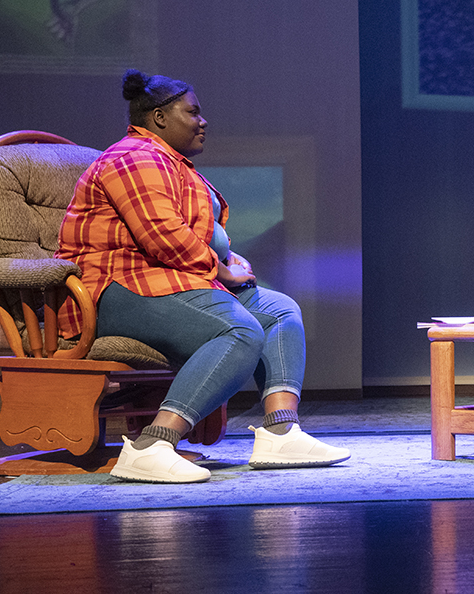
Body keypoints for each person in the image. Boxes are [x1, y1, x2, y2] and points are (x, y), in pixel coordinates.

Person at [56, 69, 350, 483]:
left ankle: (280, 432)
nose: (203, 121)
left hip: (175, 281)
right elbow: (164, 237)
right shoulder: (135, 158)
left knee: (279, 310)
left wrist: (230, 262)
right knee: (239, 331)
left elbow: (199, 234)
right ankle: (151, 446)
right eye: (192, 112)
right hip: (119, 289)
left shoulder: (174, 164)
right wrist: (223, 270)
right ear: (159, 117)